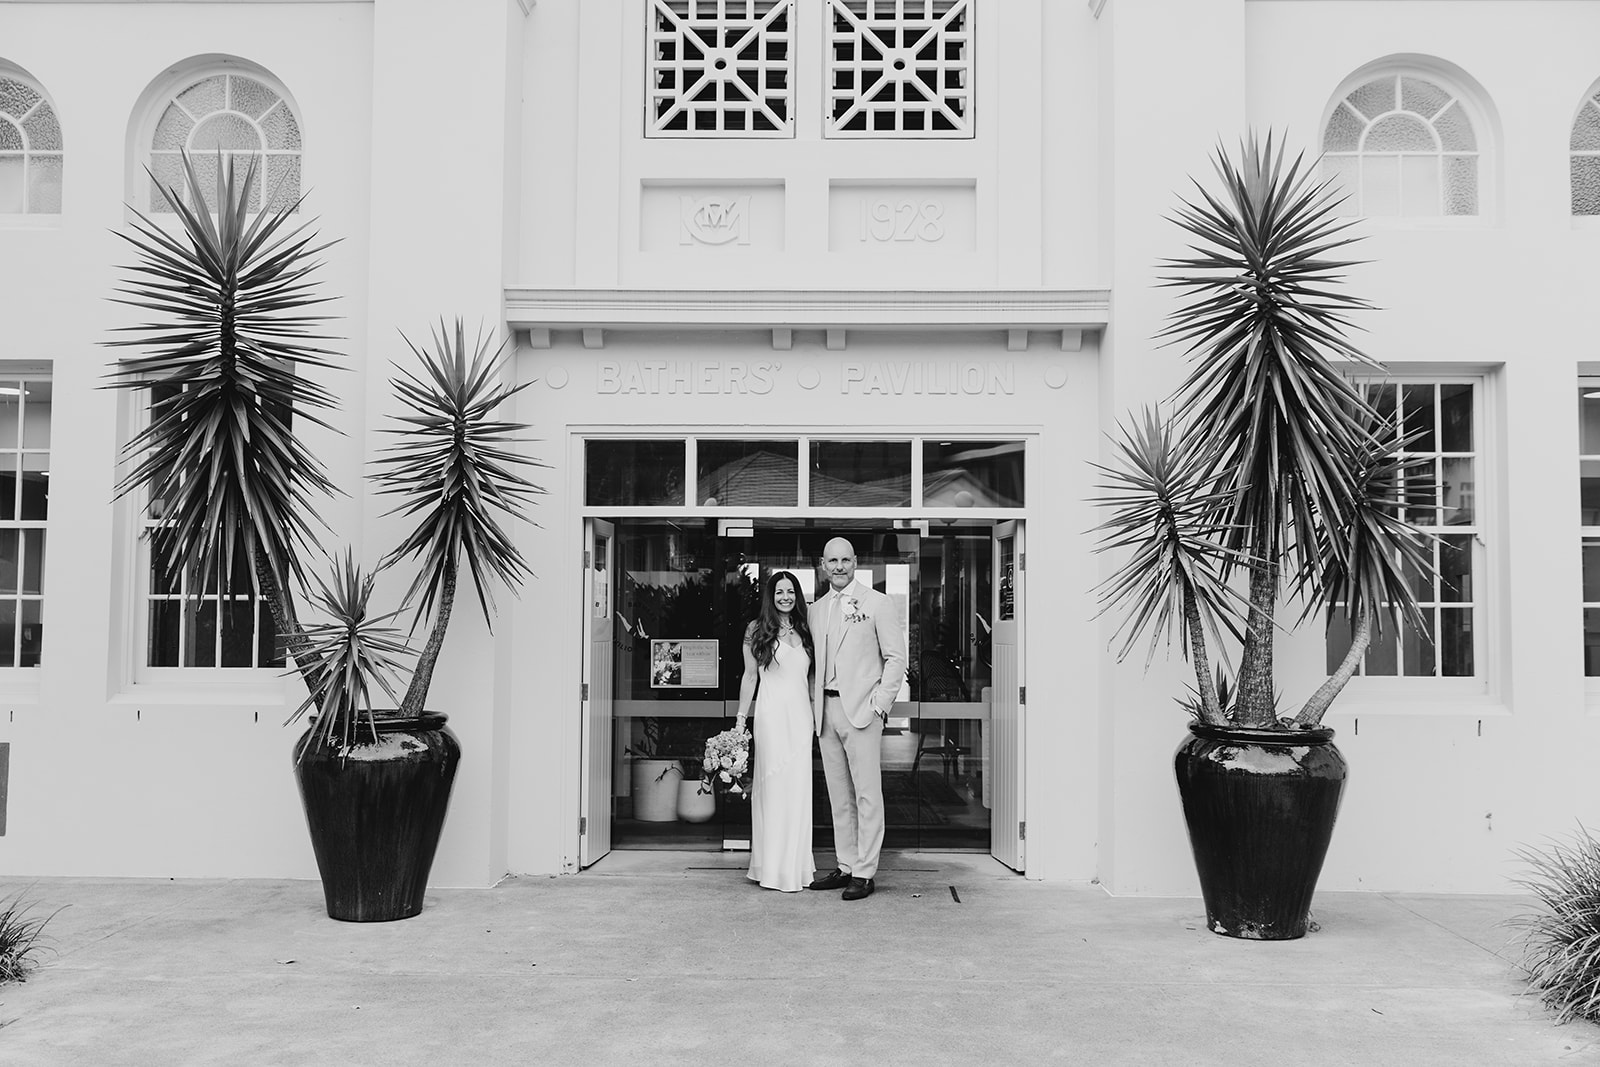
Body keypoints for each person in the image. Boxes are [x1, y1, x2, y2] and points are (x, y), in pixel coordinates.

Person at [807, 537, 908, 901]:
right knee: (839, 796)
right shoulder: (815, 610)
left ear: (855, 563)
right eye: (832, 560)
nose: (838, 567)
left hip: (863, 711)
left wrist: (880, 704)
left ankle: (865, 872)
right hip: (826, 711)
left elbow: (896, 658)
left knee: (867, 794)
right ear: (822, 564)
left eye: (845, 560)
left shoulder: (877, 603)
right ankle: (846, 864)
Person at [734, 571, 817, 892]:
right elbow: (749, 677)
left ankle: (797, 867)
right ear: (771, 595)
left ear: (797, 594)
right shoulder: (756, 629)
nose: (786, 596)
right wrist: (741, 719)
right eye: (779, 591)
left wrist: (818, 717)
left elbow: (811, 682)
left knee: (797, 790)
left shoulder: (807, 630)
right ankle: (769, 867)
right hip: (770, 717)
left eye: (791, 591)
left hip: (800, 719)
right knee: (772, 788)